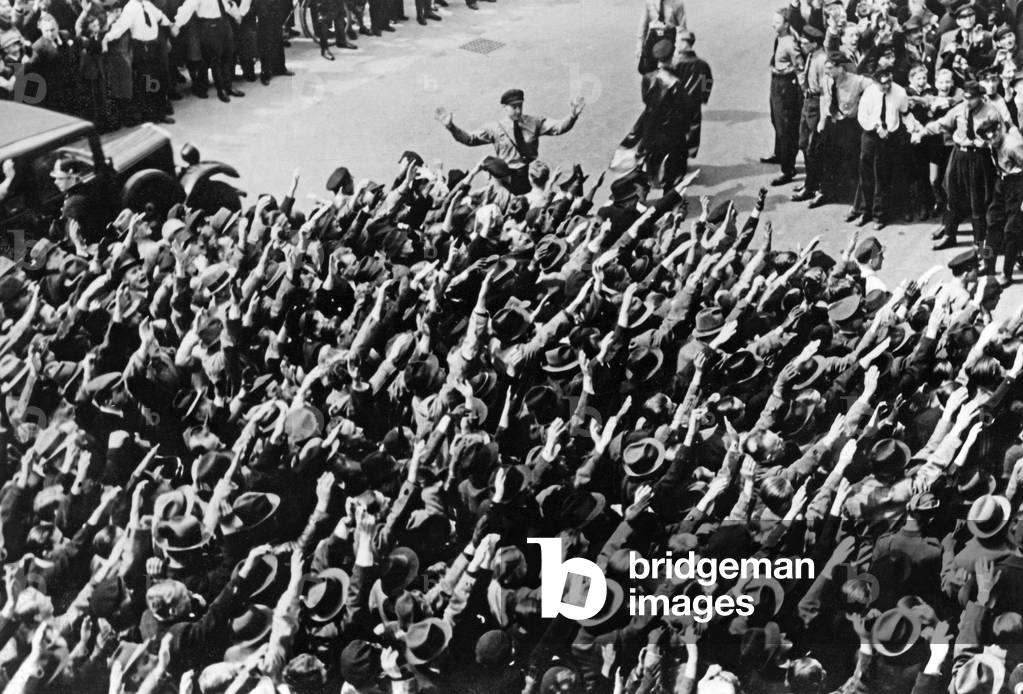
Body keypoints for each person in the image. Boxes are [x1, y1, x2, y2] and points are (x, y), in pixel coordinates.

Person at [435, 88, 585, 196]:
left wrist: (572, 116)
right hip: (507, 179)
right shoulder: (494, 128)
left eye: (520, 106)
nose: (518, 111)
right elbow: (470, 139)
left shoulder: (534, 122)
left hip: (530, 176)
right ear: (504, 108)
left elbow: (558, 127)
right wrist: (451, 127)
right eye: (514, 107)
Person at [913, 79, 1005, 250]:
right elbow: (941, 124)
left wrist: (987, 143)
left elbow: (999, 136)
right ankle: (949, 235)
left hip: (979, 159)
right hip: (958, 156)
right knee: (952, 195)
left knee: (977, 201)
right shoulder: (959, 109)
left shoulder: (991, 112)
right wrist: (922, 132)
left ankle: (979, 243)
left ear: (980, 97)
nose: (967, 102)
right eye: (965, 98)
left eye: (971, 98)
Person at [851, 67, 914, 230]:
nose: (887, 86)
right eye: (883, 84)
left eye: (889, 82)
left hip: (889, 138)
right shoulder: (869, 93)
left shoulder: (899, 92)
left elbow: (905, 113)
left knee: (883, 176)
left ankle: (879, 215)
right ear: (875, 82)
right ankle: (865, 211)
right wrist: (877, 127)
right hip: (871, 136)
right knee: (866, 174)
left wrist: (914, 130)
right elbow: (862, 116)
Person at [810, 52, 869, 209]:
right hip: (832, 124)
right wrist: (822, 120)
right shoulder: (826, 80)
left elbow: (876, 88)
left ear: (841, 68)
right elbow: (824, 98)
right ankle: (826, 192)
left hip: (849, 126)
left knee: (852, 160)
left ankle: (855, 201)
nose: (827, 71)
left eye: (830, 68)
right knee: (827, 159)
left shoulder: (857, 81)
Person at [102, 0, 176, 124]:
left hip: (154, 46)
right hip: (142, 49)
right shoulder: (130, 8)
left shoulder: (147, 4)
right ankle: (151, 115)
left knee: (158, 80)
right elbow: (120, 26)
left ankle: (160, 113)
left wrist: (170, 24)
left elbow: (160, 16)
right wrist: (107, 38)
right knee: (148, 81)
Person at [979, 118, 1023, 285]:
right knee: (991, 224)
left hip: (1018, 184)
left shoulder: (1013, 145)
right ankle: (988, 265)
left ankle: (1007, 273)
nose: (991, 141)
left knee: (1011, 231)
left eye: (992, 136)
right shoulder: (992, 143)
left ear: (999, 130)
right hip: (1002, 183)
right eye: (987, 138)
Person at [173, 0, 245, 102]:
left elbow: (227, 4)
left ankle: (228, 87)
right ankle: (221, 90)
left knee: (228, 56)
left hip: (224, 23)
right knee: (215, 59)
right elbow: (187, 8)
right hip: (209, 25)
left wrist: (236, 15)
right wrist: (177, 24)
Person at [765, 5, 803, 187]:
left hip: (785, 86)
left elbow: (799, 67)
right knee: (776, 119)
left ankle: (788, 169)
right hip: (776, 83)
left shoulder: (789, 43)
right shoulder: (779, 38)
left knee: (786, 127)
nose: (773, 24)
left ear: (787, 24)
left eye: (777, 22)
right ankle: (779, 154)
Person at [671, 29, 713, 162]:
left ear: (685, 43)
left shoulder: (676, 63)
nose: (675, 44)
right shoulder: (702, 64)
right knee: (693, 129)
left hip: (677, 103)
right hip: (694, 103)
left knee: (676, 131)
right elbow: (708, 81)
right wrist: (703, 97)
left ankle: (676, 159)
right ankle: (687, 155)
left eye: (677, 41)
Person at [636, 0, 686, 74]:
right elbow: (643, 26)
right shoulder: (649, 2)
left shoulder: (677, 3)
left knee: (668, 70)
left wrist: (679, 50)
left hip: (669, 37)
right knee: (646, 69)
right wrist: (639, 47)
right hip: (653, 37)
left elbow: (682, 28)